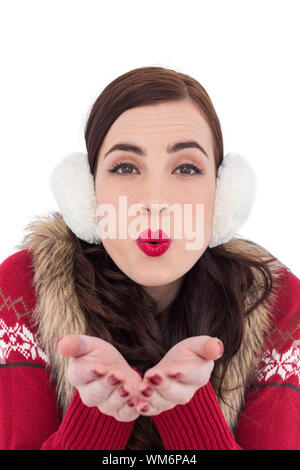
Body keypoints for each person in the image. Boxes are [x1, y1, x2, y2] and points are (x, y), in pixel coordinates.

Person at [0, 66, 299, 450]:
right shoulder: (20, 291)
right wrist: (97, 417)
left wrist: (191, 413)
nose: (155, 201)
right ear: (87, 196)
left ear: (223, 197)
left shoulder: (283, 307)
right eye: (125, 167)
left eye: (187, 168)